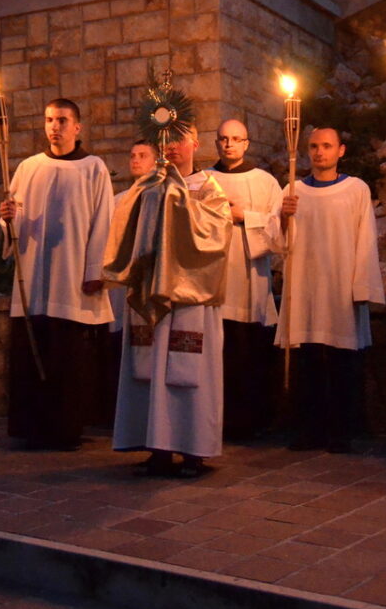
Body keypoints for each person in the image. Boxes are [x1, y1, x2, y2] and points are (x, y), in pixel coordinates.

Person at [105, 126, 232, 477]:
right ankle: (157, 448)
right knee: (150, 372)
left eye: (180, 139)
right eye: (166, 140)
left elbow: (218, 235)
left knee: (191, 372)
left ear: (195, 144)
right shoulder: (147, 186)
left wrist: (177, 204)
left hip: (192, 294)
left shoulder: (209, 188)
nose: (172, 147)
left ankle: (194, 451)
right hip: (153, 292)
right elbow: (128, 227)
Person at [0, 99, 114, 450]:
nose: (54, 126)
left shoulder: (93, 168)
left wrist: (94, 270)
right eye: (49, 119)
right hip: (33, 277)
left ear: (77, 127)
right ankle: (31, 428)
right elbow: (16, 222)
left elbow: (103, 222)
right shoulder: (28, 167)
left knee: (67, 358)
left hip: (71, 279)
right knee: (31, 354)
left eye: (62, 120)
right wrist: (9, 218)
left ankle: (65, 429)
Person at [276, 127, 384, 452]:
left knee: (342, 362)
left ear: (341, 150)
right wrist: (283, 217)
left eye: (326, 145)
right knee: (308, 361)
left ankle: (342, 431)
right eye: (313, 146)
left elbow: (365, 239)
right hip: (306, 286)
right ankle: (310, 430)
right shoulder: (293, 189)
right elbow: (279, 242)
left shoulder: (356, 189)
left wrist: (361, 286)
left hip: (340, 285)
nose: (319, 152)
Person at [205, 119, 282, 439]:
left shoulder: (265, 182)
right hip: (213, 282)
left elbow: (279, 230)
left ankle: (250, 423)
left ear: (246, 143)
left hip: (250, 280)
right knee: (216, 356)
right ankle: (214, 421)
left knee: (247, 353)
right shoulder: (203, 180)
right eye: (223, 138)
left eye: (236, 139)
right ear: (216, 142)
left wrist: (244, 218)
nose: (229, 144)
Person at [104, 140, 158, 423]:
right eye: (133, 155)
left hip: (148, 285)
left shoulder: (162, 198)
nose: (135, 160)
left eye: (143, 155)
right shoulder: (118, 201)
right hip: (121, 286)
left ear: (156, 161)